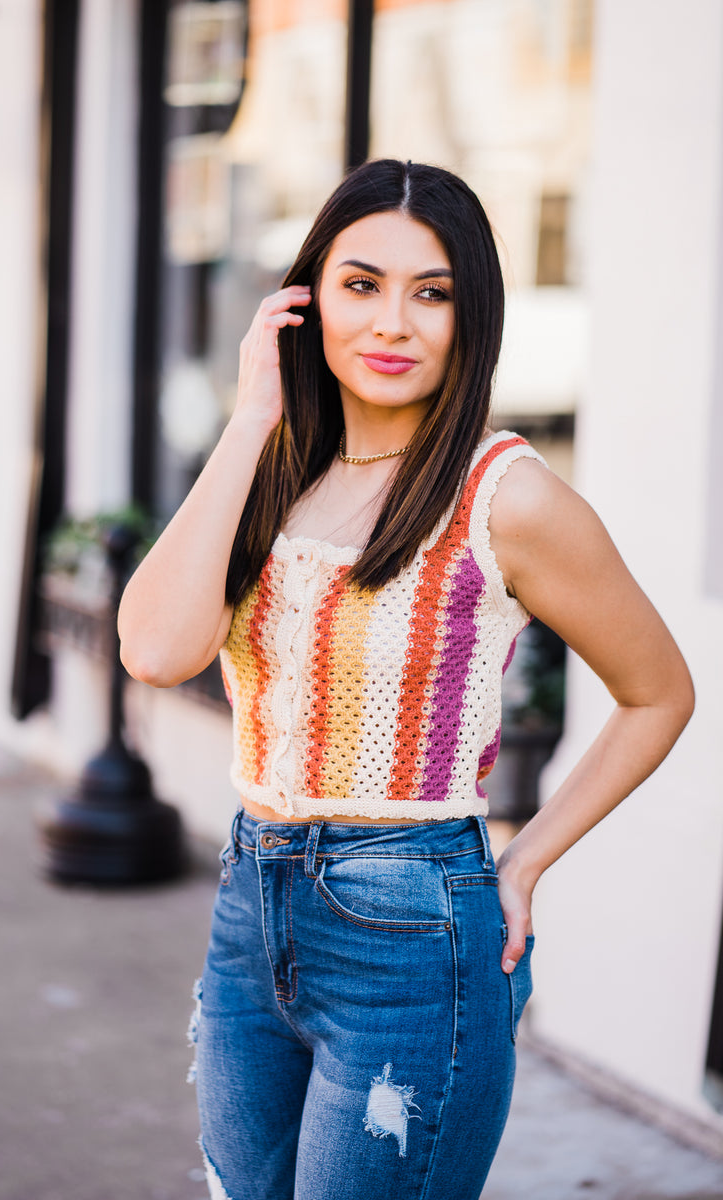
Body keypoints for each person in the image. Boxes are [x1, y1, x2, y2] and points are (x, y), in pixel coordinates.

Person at [118, 159, 693, 1200]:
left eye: (430, 294)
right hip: (250, 907)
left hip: (414, 931)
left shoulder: (502, 495)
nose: (392, 323)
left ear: (470, 319)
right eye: (360, 284)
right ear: (306, 300)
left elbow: (658, 693)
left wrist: (517, 868)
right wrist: (250, 416)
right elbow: (157, 651)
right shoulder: (275, 467)